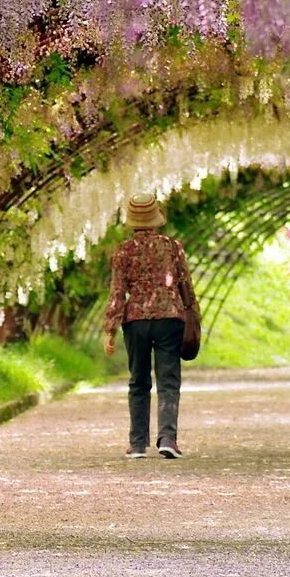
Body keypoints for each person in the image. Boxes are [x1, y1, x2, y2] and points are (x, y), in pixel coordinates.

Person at [104, 191, 200, 459]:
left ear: (133, 221)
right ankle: (167, 438)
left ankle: (137, 444)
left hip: (135, 321)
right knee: (168, 380)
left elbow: (117, 293)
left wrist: (110, 329)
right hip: (169, 318)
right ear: (157, 219)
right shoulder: (172, 247)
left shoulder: (123, 250)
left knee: (139, 382)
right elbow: (185, 286)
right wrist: (194, 315)